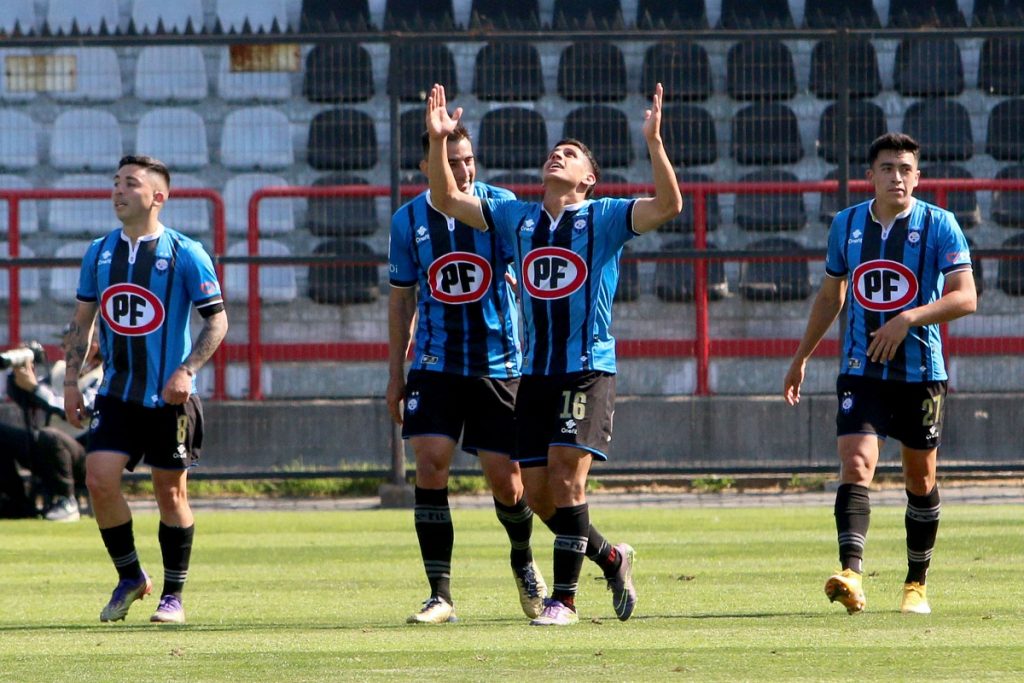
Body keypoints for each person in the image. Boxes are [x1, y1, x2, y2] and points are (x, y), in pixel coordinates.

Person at [425, 83, 683, 626]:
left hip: (587, 369)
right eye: (554, 151)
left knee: (567, 480)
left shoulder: (605, 217)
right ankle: (612, 557)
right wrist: (436, 140)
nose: (556, 155)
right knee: (541, 497)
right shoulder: (516, 217)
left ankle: (562, 599)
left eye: (570, 154)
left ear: (588, 178)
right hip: (533, 373)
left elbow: (669, 205)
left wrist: (655, 143)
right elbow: (446, 200)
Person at [783, 133, 977, 616]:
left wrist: (909, 318)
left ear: (918, 176)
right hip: (861, 367)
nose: (897, 176)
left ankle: (916, 582)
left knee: (920, 477)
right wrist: (802, 355)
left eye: (905, 168)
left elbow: (966, 297)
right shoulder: (846, 225)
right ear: (870, 175)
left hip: (921, 372)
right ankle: (850, 573)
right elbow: (832, 295)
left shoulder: (941, 225)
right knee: (856, 464)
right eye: (887, 167)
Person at [388, 127, 547, 624]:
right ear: (426, 166)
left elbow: (534, 260)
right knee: (431, 463)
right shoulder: (407, 220)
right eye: (451, 161)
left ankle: (523, 559)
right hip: (436, 363)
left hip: (498, 363)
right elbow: (402, 298)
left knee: (508, 482)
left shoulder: (498, 206)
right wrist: (396, 372)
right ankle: (440, 595)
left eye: (469, 160)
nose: (463, 170)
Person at [63, 154, 228, 625]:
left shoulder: (185, 252)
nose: (118, 191)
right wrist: (72, 380)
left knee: (169, 492)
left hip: (168, 397)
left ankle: (172, 596)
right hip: (116, 393)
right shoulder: (98, 252)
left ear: (158, 196)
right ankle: (131, 576)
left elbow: (217, 321)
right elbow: (82, 322)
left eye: (129, 184)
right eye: (115, 182)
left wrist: (187, 370)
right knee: (98, 479)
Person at [0, 330, 103, 522]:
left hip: (85, 456)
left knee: (50, 436)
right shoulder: (60, 371)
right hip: (48, 449)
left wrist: (35, 389)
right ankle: (16, 501)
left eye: (68, 347)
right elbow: (26, 396)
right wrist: (18, 372)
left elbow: (80, 412)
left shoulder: (103, 377)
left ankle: (66, 500)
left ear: (92, 348)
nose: (64, 351)